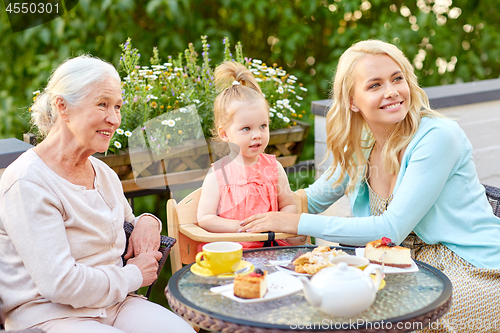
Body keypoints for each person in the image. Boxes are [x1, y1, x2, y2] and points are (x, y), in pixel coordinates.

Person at [239, 40, 500, 332]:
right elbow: (311, 200)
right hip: (404, 268)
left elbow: (389, 229)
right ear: (352, 100)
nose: (391, 92)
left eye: (397, 78)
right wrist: (246, 189)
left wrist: (295, 222)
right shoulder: (363, 143)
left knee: (410, 322)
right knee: (326, 307)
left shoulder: (438, 137)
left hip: (477, 269)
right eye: (375, 85)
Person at [0, 55, 195, 333]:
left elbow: (126, 223)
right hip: (49, 315)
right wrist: (133, 275)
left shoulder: (103, 174)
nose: (114, 119)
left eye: (117, 106)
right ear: (63, 107)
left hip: (115, 305)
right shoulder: (28, 181)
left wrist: (148, 220)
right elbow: (61, 283)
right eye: (102, 104)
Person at [197, 61, 306, 248]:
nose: (257, 134)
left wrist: (278, 221)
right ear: (224, 134)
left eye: (263, 126)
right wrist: (241, 227)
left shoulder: (274, 168)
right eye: (246, 128)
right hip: (233, 252)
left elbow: (289, 204)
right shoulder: (219, 174)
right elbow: (205, 218)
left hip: (271, 249)